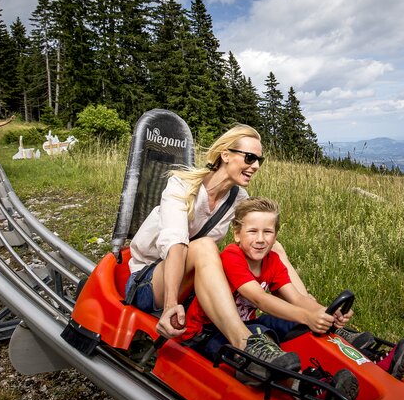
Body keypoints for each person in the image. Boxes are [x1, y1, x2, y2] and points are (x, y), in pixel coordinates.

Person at [124, 124, 307, 372]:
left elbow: (251, 235)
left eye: (259, 160)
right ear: (226, 155)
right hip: (149, 282)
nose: (255, 166)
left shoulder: (238, 198)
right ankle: (244, 342)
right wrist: (170, 304)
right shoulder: (181, 185)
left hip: (190, 284)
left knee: (272, 245)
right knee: (204, 246)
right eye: (250, 158)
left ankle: (312, 310)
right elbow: (176, 244)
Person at [182, 196, 404, 383]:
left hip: (246, 324)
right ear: (237, 234)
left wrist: (323, 313)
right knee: (264, 332)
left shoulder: (272, 261)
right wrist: (307, 316)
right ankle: (312, 384)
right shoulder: (232, 256)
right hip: (208, 333)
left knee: (290, 323)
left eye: (267, 232)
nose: (260, 239)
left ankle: (370, 360)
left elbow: (297, 298)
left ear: (275, 235)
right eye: (252, 231)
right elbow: (259, 298)